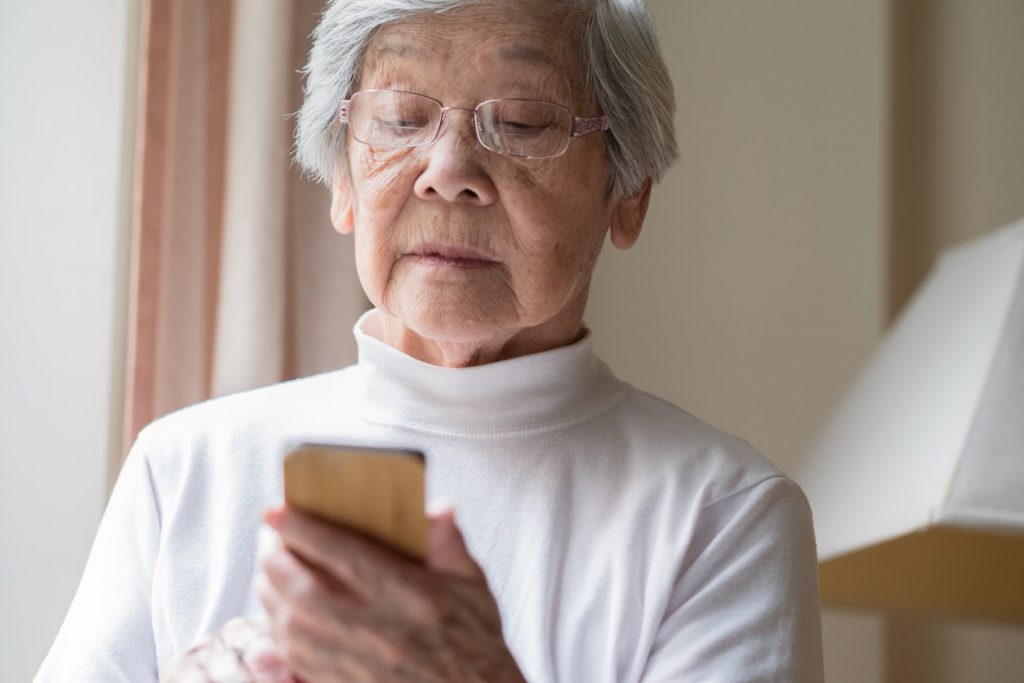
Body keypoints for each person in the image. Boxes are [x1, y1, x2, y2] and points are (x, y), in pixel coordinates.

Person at [38, 0, 824, 680]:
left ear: (628, 196)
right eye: (401, 118)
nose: (448, 171)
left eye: (521, 122)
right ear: (343, 181)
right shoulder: (184, 471)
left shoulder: (724, 513)